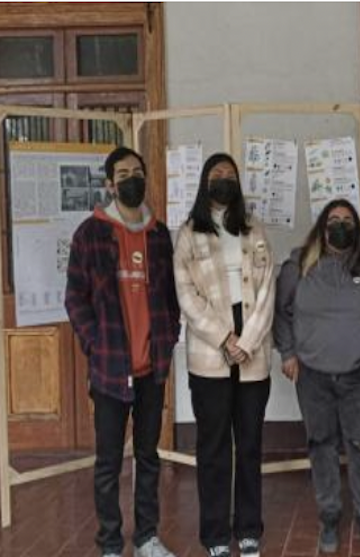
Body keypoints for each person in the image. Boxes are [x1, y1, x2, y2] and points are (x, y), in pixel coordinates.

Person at [65, 146, 181, 557]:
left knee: (148, 458)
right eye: (123, 173)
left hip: (153, 369)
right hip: (111, 369)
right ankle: (111, 542)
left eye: (137, 171)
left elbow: (171, 298)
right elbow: (75, 298)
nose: (132, 179)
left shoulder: (160, 234)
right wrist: (96, 344)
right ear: (110, 183)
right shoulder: (90, 233)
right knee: (108, 463)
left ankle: (147, 537)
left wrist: (169, 336)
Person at [174, 153, 275, 557]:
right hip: (209, 350)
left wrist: (246, 342)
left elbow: (269, 289)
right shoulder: (187, 233)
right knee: (213, 447)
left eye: (229, 175)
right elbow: (186, 295)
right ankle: (215, 534)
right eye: (216, 175)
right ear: (204, 182)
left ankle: (248, 528)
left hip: (251, 344)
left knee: (249, 444)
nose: (223, 180)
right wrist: (223, 338)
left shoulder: (254, 230)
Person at [273, 199, 360, 554]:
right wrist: (288, 352)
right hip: (313, 377)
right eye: (333, 219)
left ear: (357, 228)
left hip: (358, 377)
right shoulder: (298, 266)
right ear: (322, 226)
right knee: (321, 445)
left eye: (347, 220)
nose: (340, 225)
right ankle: (330, 515)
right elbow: (281, 312)